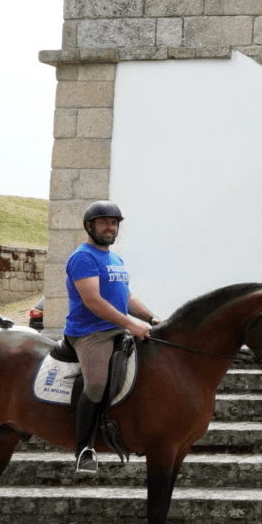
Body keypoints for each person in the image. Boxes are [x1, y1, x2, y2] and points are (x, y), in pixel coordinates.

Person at [64, 200, 160, 475]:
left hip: (117, 329)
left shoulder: (115, 259)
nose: (110, 227)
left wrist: (151, 318)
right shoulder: (83, 258)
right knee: (96, 384)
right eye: (104, 222)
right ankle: (84, 449)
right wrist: (130, 325)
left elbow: (125, 297)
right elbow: (93, 301)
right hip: (89, 333)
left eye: (114, 223)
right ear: (89, 226)